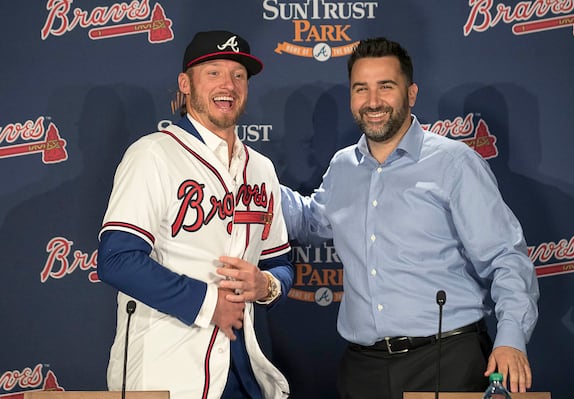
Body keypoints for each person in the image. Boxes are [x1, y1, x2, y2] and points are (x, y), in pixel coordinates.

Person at [281, 37, 540, 398]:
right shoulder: (343, 167)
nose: (373, 102)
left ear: (411, 93)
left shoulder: (454, 163)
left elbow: (505, 257)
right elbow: (311, 220)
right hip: (363, 369)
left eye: (386, 87)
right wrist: (248, 180)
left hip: (448, 362)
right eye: (361, 89)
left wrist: (511, 337)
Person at [97, 30, 293, 399]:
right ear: (185, 84)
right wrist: (208, 303)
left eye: (238, 75)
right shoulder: (153, 154)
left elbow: (280, 263)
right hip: (167, 370)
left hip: (242, 367)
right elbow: (117, 259)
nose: (228, 84)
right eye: (214, 72)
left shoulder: (261, 169)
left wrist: (266, 285)